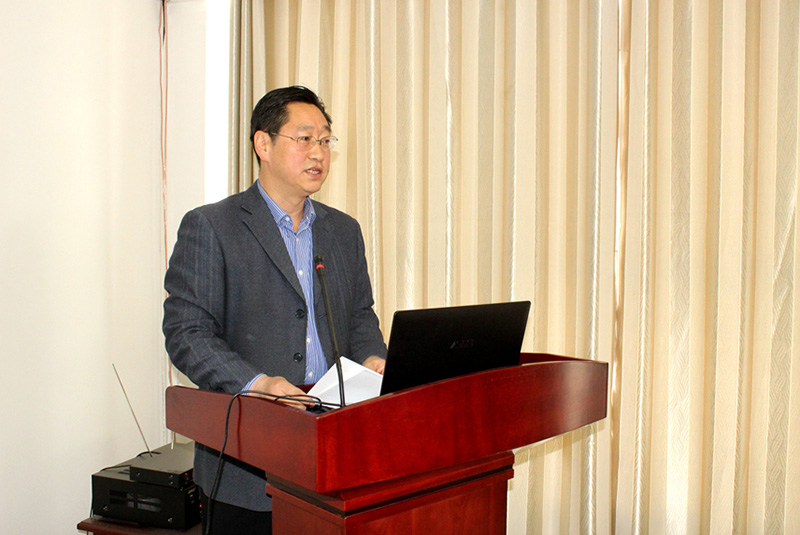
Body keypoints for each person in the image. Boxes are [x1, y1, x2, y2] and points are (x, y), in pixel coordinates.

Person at [163, 86, 387, 534]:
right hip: (247, 462)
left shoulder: (343, 231)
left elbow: (360, 314)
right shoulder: (212, 226)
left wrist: (374, 359)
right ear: (263, 144)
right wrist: (258, 384)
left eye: (325, 140)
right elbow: (187, 333)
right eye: (304, 138)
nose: (318, 152)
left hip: (336, 455)